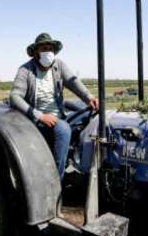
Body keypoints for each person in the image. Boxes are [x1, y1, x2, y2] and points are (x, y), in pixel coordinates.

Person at [10, 33, 99, 180]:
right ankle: (56, 181)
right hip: (37, 119)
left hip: (59, 115)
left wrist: (89, 97)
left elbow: (74, 83)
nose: (48, 52)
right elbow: (15, 97)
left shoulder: (59, 66)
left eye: (50, 48)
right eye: (44, 48)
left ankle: (83, 166)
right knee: (63, 129)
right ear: (35, 52)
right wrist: (40, 116)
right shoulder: (25, 70)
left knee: (93, 116)